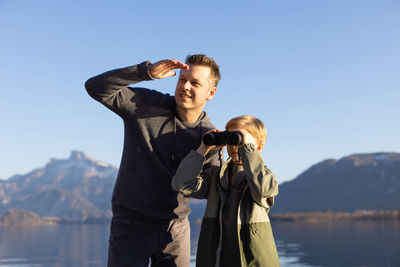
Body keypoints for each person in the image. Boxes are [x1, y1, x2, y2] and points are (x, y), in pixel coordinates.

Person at [85, 54, 223, 267]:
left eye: (195, 83)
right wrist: (144, 72)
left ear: (210, 93)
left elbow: (208, 191)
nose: (185, 86)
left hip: (175, 228)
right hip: (131, 225)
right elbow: (95, 87)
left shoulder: (209, 137)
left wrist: (209, 153)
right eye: (182, 79)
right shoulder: (146, 104)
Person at [171, 115, 280, 267]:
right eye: (231, 139)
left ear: (259, 147)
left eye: (239, 139)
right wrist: (203, 148)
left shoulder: (264, 176)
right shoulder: (216, 175)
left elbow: (263, 189)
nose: (234, 146)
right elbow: (181, 183)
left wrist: (247, 149)